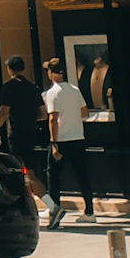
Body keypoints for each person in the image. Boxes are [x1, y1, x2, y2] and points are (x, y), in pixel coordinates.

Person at [42, 56, 95, 227]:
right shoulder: (74, 90)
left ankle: (55, 211)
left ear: (51, 73)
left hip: (62, 139)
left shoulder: (52, 93)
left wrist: (54, 142)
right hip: (78, 137)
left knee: (54, 176)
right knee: (83, 175)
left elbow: (52, 119)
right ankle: (89, 211)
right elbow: (85, 112)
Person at [0, 55, 47, 193]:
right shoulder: (33, 88)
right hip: (31, 133)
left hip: (17, 135)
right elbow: (43, 114)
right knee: (25, 171)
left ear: (9, 69)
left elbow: (3, 112)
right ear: (24, 69)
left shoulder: (9, 88)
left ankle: (51, 205)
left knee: (25, 171)